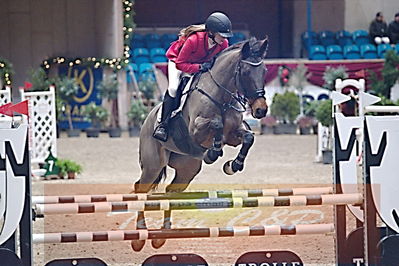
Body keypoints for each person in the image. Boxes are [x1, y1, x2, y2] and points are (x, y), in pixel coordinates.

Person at [153, 12, 233, 142]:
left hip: (201, 64)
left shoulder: (223, 44)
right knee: (173, 88)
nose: (224, 38)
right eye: (222, 35)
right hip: (179, 62)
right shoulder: (194, 40)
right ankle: (163, 124)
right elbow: (180, 63)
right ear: (211, 32)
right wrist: (199, 68)